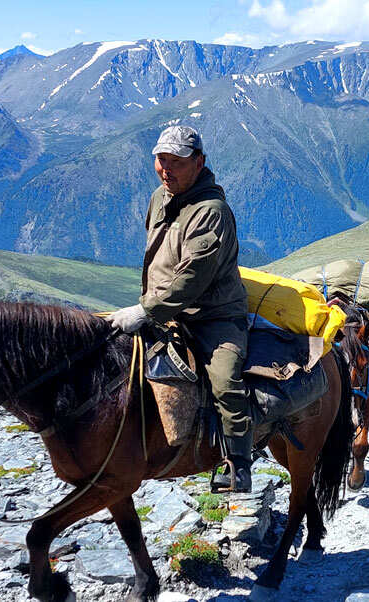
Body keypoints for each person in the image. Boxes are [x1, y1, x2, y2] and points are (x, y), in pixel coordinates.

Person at [107, 125, 254, 493]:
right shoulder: (161, 197)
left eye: (176, 161)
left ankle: (238, 465)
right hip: (163, 309)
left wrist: (145, 311)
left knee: (225, 381)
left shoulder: (212, 212)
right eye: (161, 160)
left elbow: (192, 279)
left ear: (199, 162)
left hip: (213, 316)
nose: (165, 168)